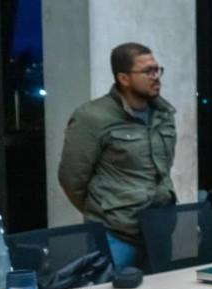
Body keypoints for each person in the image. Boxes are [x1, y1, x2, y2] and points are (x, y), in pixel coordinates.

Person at [58, 42, 177, 270]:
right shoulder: (92, 117)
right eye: (147, 71)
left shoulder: (164, 113)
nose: (156, 77)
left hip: (159, 228)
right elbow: (71, 178)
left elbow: (163, 168)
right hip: (116, 234)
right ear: (123, 78)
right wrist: (105, 209)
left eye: (157, 70)